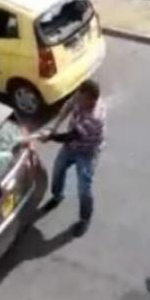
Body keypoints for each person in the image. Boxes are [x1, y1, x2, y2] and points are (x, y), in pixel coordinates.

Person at [38, 80, 106, 237]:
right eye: (78, 96)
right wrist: (54, 126)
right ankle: (57, 196)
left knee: (84, 187)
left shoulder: (94, 118)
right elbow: (68, 106)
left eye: (82, 99)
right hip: (71, 146)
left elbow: (71, 136)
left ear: (92, 100)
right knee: (58, 171)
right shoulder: (80, 96)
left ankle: (85, 219)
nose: (78, 100)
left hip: (87, 152)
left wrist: (50, 137)